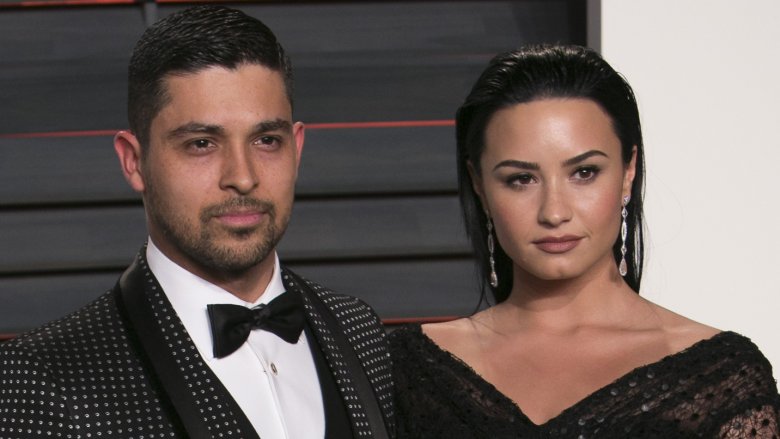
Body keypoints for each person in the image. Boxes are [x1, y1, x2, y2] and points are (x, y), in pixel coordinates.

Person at [0, 6, 393, 439]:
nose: (242, 176)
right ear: (134, 162)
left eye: (266, 140)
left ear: (296, 148)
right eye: (202, 143)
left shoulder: (359, 329)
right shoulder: (42, 376)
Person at [389, 44, 779, 438]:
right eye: (520, 179)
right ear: (480, 185)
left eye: (585, 173)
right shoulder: (409, 371)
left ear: (629, 170)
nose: (554, 212)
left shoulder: (720, 377)